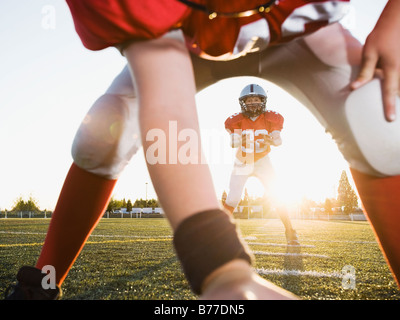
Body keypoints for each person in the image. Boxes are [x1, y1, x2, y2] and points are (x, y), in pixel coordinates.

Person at [5, 0, 400, 299]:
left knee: (378, 121)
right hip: (179, 41)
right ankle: (43, 279)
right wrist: (222, 268)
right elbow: (168, 108)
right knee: (101, 136)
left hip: (297, 30)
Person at [223, 83, 299, 245]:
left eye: (256, 99)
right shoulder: (236, 121)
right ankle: (219, 230)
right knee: (233, 197)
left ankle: (290, 231)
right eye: (249, 100)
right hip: (243, 161)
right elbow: (233, 142)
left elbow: (278, 141)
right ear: (243, 103)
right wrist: (239, 139)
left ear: (263, 101)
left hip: (263, 161)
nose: (252, 103)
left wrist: (271, 139)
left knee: (277, 196)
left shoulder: (271, 118)